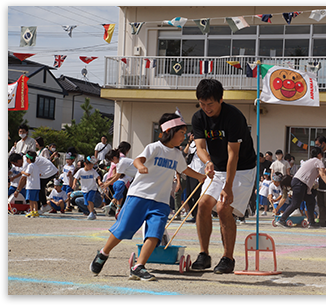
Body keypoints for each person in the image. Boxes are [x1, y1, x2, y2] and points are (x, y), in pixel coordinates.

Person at [90, 113, 207, 281]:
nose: (184, 136)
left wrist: (201, 177)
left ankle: (139, 266)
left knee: (155, 233)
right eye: (181, 132)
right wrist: (141, 167)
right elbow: (138, 160)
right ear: (169, 132)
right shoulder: (154, 147)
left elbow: (185, 170)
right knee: (122, 229)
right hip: (139, 196)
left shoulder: (176, 154)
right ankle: (103, 253)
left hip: (161, 201)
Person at [191, 79, 256, 274]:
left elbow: (233, 155)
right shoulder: (198, 117)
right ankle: (204, 254)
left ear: (220, 99)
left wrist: (227, 187)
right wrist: (207, 161)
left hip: (242, 167)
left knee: (223, 207)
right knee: (202, 204)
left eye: (210, 104)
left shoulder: (233, 117)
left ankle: (228, 258)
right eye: (202, 104)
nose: (206, 108)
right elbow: (200, 147)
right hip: (217, 167)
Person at [275, 146, 326, 228]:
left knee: (311, 201)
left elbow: (315, 174)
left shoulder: (309, 161)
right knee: (295, 203)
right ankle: (282, 220)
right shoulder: (318, 161)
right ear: (319, 154)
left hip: (299, 183)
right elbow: (322, 174)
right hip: (300, 184)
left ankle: (311, 222)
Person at [72, 156, 102, 220]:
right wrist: (74, 184)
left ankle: (91, 213)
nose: (91, 167)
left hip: (92, 188)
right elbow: (75, 178)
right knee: (87, 202)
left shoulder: (93, 171)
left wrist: (99, 182)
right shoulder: (80, 171)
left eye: (92, 165)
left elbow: (98, 177)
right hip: (85, 189)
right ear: (85, 164)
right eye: (90, 165)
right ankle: (91, 212)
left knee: (89, 200)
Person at [20, 151, 41, 218]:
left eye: (26, 158)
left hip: (31, 186)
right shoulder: (36, 166)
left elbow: (28, 174)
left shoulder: (30, 166)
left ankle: (31, 211)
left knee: (30, 200)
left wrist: (23, 172)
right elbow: (40, 174)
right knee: (35, 200)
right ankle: (36, 212)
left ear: (29, 159)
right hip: (37, 185)